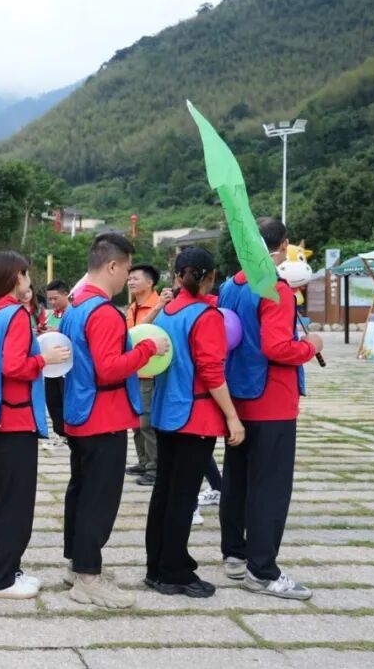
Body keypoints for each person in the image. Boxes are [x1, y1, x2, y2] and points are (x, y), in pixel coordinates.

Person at [60, 233, 169, 609]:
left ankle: (77, 564)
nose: (127, 276)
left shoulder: (75, 307)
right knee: (99, 499)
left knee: (80, 492)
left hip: (79, 411)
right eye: (126, 268)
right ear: (111, 266)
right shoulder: (104, 312)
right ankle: (88, 578)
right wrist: (147, 348)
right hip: (102, 416)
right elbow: (108, 369)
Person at [219, 218, 322, 600]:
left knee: (237, 480)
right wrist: (311, 346)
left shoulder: (231, 285)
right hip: (271, 401)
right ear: (284, 245)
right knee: (270, 488)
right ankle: (262, 571)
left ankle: (235, 554)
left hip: (237, 397)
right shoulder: (275, 288)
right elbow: (277, 347)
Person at [145, 247, 245, 598]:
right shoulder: (207, 316)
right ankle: (174, 571)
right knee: (183, 495)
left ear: (177, 275)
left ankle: (156, 567)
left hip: (165, 411)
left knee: (164, 492)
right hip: (196, 415)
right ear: (210, 277)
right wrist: (232, 416)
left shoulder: (167, 313)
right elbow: (212, 372)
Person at [0, 251, 70, 600]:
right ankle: (1, 578)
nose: (29, 280)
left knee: (3, 502)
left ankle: (8, 568)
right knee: (16, 504)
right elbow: (13, 366)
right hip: (15, 422)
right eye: (27, 274)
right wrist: (44, 358)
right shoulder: (16, 313)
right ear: (17, 277)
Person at [125, 263, 173, 487]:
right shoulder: (133, 307)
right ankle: (143, 462)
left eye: (135, 278)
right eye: (129, 278)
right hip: (134, 371)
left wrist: (158, 307)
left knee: (147, 423)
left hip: (151, 372)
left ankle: (154, 468)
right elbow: (129, 336)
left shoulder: (161, 305)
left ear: (150, 282)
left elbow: (139, 334)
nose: (131, 282)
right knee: (135, 422)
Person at [43, 280, 71, 442]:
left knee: (65, 399)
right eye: (50, 299)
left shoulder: (73, 313)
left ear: (66, 294)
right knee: (52, 399)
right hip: (51, 365)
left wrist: (60, 331)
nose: (52, 302)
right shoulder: (50, 316)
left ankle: (69, 432)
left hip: (67, 365)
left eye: (55, 298)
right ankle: (59, 432)